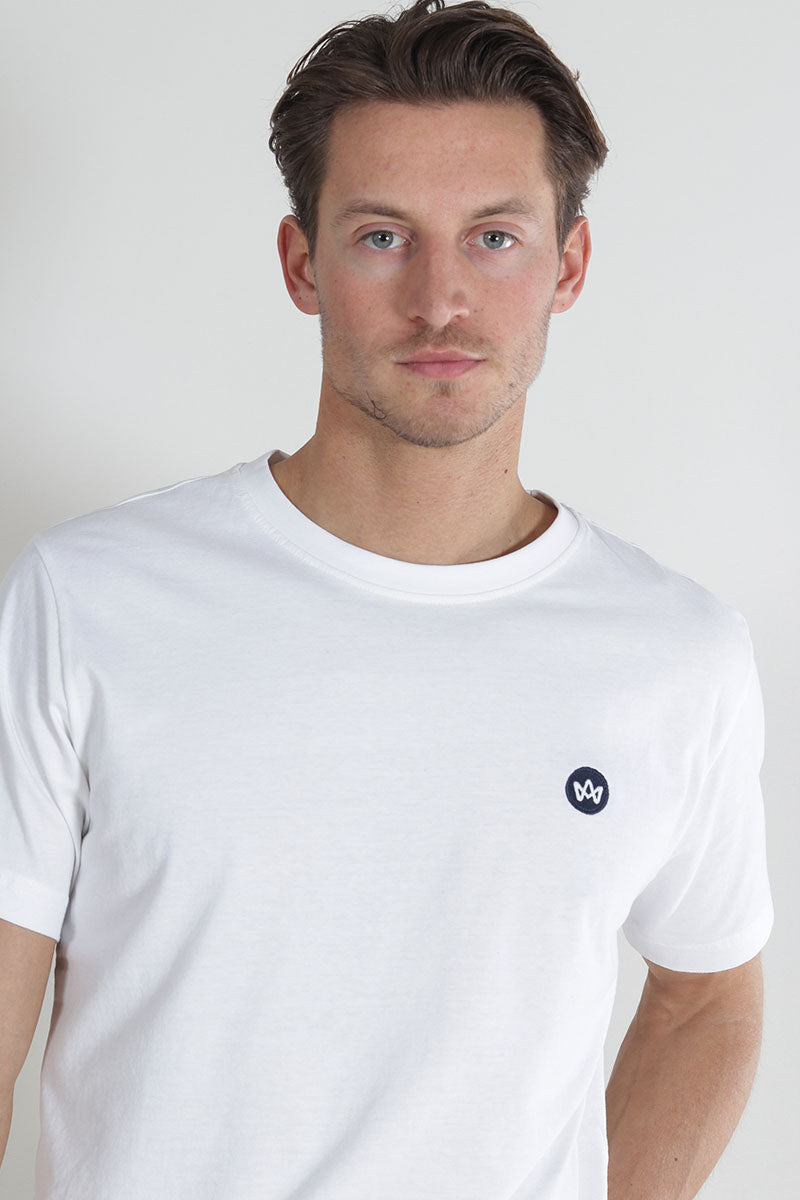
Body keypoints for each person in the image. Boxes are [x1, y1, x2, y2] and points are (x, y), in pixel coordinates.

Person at [0, 1, 773, 1197]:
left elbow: (707, 995)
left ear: (567, 264)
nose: (440, 298)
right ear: (301, 263)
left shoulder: (675, 653)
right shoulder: (88, 599)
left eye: (494, 237)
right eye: (380, 236)